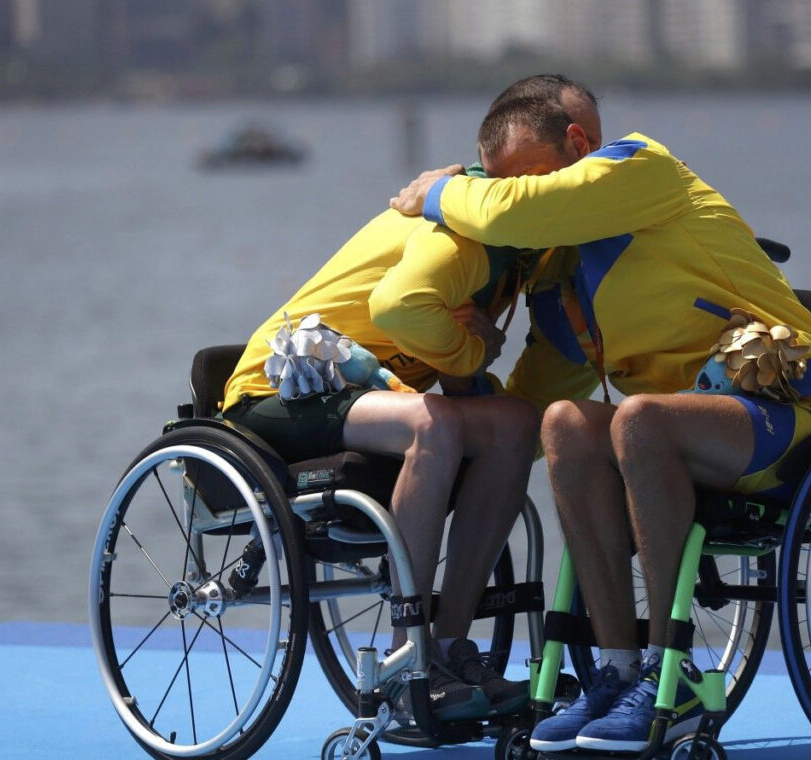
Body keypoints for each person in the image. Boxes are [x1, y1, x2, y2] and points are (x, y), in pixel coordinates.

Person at [391, 99, 811, 751]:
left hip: (792, 415)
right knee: (563, 424)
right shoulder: (559, 284)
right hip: (670, 440)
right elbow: (522, 413)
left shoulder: (641, 167)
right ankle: (618, 670)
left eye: (529, 176)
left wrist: (440, 191)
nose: (515, 194)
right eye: (502, 181)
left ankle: (676, 672)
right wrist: (451, 380)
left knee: (638, 417)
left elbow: (513, 212)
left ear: (578, 144)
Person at [222, 76, 602, 725]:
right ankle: (409, 655)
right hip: (283, 387)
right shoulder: (459, 231)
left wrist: (473, 365)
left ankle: (452, 645)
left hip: (372, 399)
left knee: (513, 425)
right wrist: (474, 352)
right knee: (441, 429)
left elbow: (454, 375)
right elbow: (396, 310)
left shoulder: (516, 255)